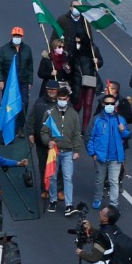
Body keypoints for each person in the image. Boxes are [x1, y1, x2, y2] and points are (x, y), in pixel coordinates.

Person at [40, 88, 84, 216]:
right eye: (60, 99)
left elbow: (77, 133)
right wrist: (48, 141)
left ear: (68, 99)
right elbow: (44, 131)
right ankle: (53, 200)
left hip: (68, 151)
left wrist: (77, 150)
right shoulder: (49, 113)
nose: (62, 101)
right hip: (54, 151)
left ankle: (69, 205)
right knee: (53, 177)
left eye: (64, 99)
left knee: (68, 177)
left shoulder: (74, 114)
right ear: (56, 99)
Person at [86, 90, 131, 209]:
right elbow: (89, 137)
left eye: (112, 103)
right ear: (103, 105)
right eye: (107, 104)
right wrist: (93, 153)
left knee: (114, 181)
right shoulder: (97, 120)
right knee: (99, 180)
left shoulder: (120, 120)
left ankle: (113, 204)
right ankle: (97, 199)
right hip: (100, 156)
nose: (109, 106)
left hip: (115, 157)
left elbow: (127, 136)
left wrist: (123, 131)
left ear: (115, 104)